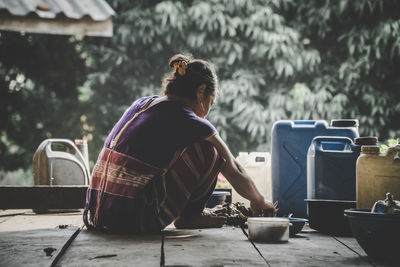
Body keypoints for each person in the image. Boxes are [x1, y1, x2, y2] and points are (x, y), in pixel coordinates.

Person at [83, 54, 276, 233]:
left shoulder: (143, 103)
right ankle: (191, 217)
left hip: (99, 214)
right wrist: (259, 200)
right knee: (210, 152)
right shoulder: (187, 119)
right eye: (211, 102)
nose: (208, 110)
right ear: (201, 91)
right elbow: (232, 168)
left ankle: (189, 213)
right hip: (132, 219)